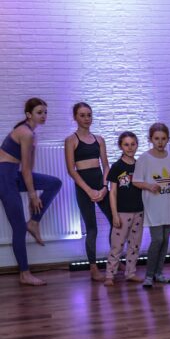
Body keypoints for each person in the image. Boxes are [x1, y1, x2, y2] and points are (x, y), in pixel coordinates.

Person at [0, 98, 62, 286]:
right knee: (19, 227)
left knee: (54, 183)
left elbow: (29, 168)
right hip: (4, 178)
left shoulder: (32, 134)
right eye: (39, 112)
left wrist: (32, 191)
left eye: (45, 112)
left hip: (13, 174)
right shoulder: (25, 133)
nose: (43, 116)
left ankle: (34, 222)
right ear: (28, 114)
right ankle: (24, 274)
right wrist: (33, 196)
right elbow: (26, 170)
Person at [64, 102, 112, 281]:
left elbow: (106, 166)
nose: (86, 118)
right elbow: (71, 170)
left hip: (100, 185)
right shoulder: (71, 140)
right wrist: (89, 191)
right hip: (84, 188)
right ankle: (93, 267)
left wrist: (104, 187)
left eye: (89, 115)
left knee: (116, 222)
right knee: (92, 228)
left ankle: (114, 259)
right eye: (82, 115)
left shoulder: (99, 139)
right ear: (75, 117)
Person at [132, 123, 170, 288]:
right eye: (156, 139)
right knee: (157, 239)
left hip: (168, 204)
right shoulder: (144, 159)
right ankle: (149, 275)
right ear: (150, 139)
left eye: (163, 138)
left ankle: (159, 273)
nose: (160, 142)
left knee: (165, 240)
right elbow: (136, 181)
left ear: (168, 139)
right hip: (153, 205)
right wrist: (149, 186)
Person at [104, 132, 144, 286]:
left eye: (133, 144)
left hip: (138, 211)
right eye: (126, 144)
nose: (130, 147)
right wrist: (114, 214)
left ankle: (130, 273)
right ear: (121, 146)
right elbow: (113, 192)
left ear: (137, 145)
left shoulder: (140, 165)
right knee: (117, 245)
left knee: (134, 245)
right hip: (122, 213)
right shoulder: (117, 167)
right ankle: (110, 275)